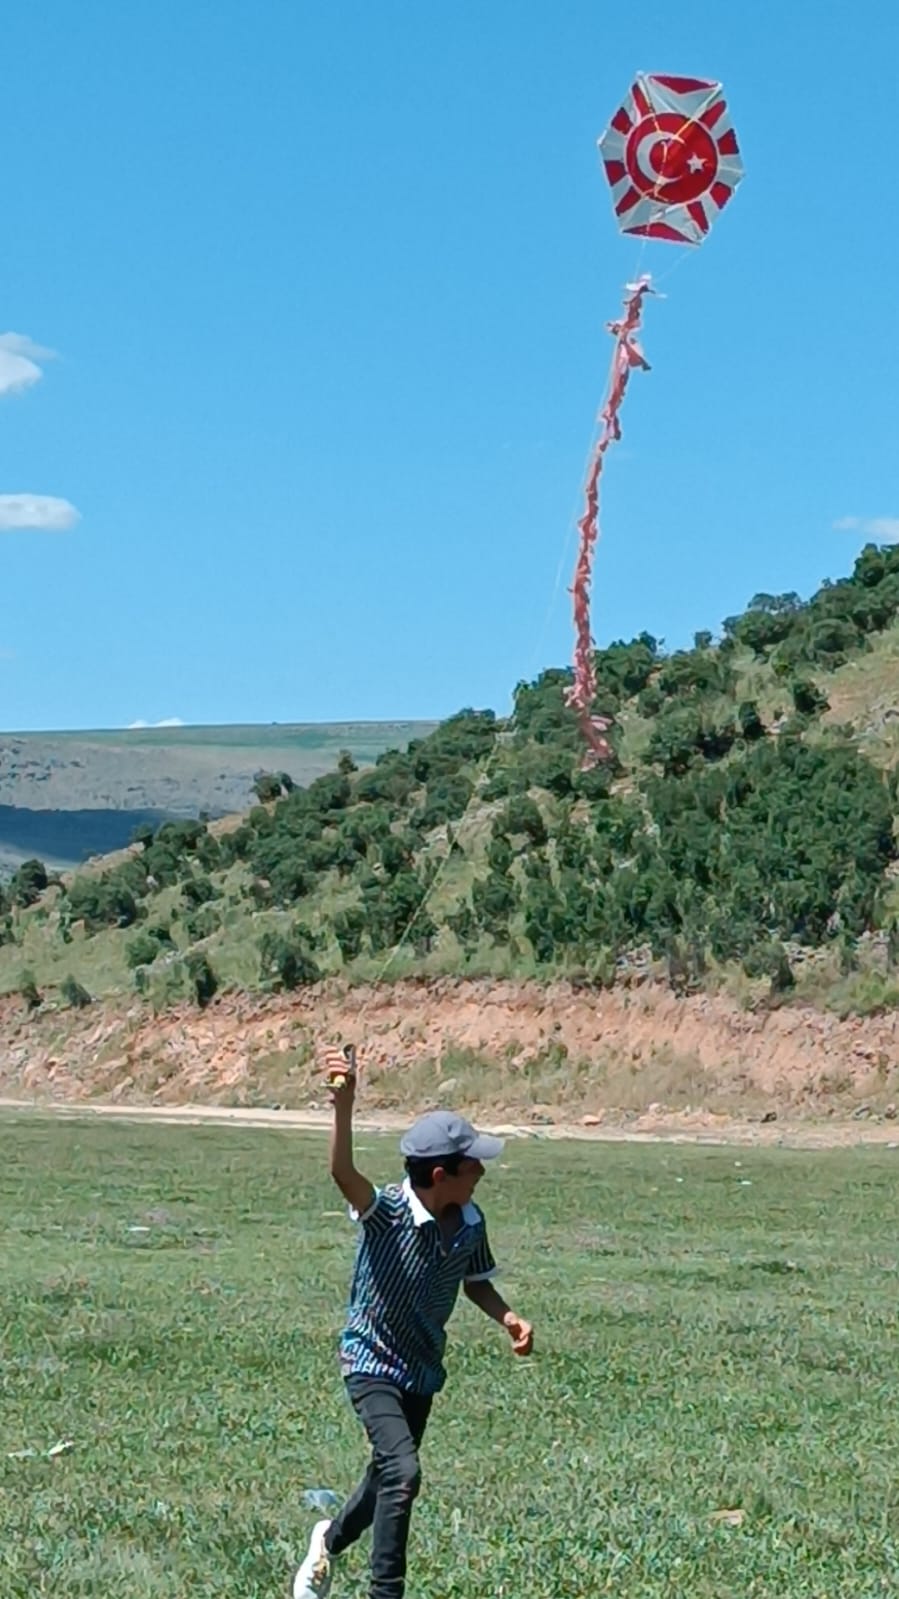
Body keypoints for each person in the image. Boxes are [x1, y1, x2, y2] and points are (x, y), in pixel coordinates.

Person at [293, 1048, 533, 1599]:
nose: (483, 1173)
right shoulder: (388, 1214)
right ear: (442, 1174)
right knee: (403, 1474)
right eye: (474, 1165)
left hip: (421, 1372)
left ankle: (327, 1541)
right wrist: (343, 1106)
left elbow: (475, 1281)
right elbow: (342, 1173)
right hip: (371, 1362)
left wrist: (508, 1317)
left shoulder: (469, 1221)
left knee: (385, 1479)